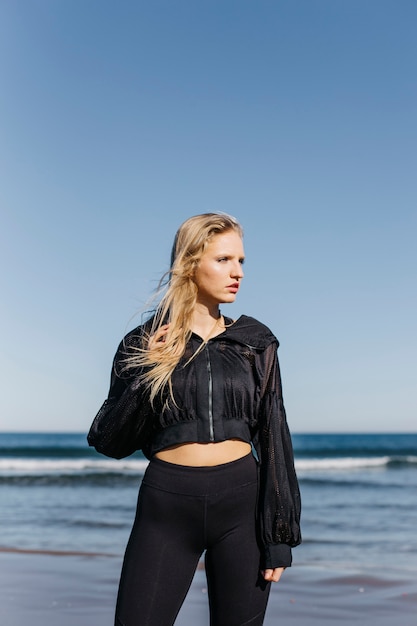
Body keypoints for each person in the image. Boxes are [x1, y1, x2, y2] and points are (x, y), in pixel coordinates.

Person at [89, 213, 301, 626]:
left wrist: (279, 534)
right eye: (224, 260)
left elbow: (275, 434)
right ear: (190, 263)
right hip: (166, 505)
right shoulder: (145, 341)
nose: (237, 272)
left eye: (241, 261)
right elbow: (109, 440)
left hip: (240, 503)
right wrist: (148, 371)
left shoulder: (255, 343)